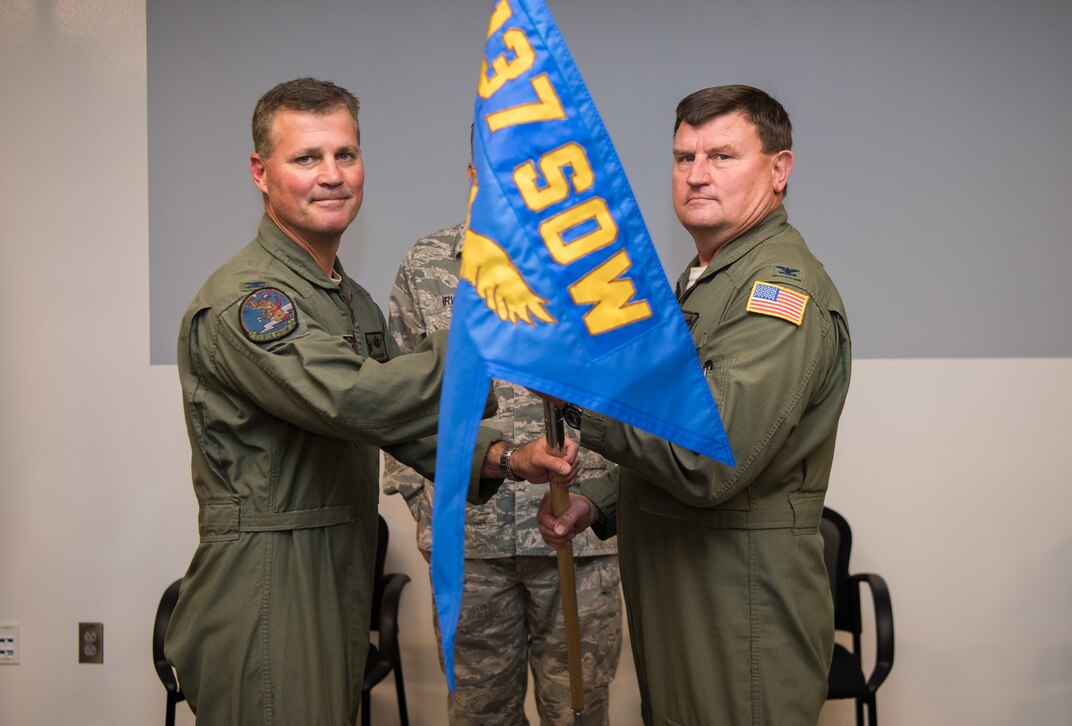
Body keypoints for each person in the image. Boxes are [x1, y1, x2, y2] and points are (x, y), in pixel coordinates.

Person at [165, 77, 579, 726]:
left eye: (345, 155)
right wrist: (485, 330)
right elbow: (353, 399)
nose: (331, 175)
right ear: (260, 172)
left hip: (338, 570)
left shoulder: (347, 301)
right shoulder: (251, 301)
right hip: (270, 579)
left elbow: (399, 423)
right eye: (306, 158)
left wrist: (505, 457)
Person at [538, 85, 852, 725]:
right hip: (685, 597)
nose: (697, 175)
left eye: (722, 156)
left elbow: (709, 453)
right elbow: (674, 421)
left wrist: (583, 396)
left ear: (779, 170)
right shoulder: (705, 281)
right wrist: (599, 501)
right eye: (685, 157)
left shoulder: (776, 292)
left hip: (739, 611)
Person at [383, 191, 623, 725]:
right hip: (470, 545)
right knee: (480, 715)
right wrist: (426, 510)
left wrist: (608, 501)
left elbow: (635, 391)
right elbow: (400, 398)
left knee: (578, 713)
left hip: (577, 535)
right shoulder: (427, 263)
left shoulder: (597, 260)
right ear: (473, 169)